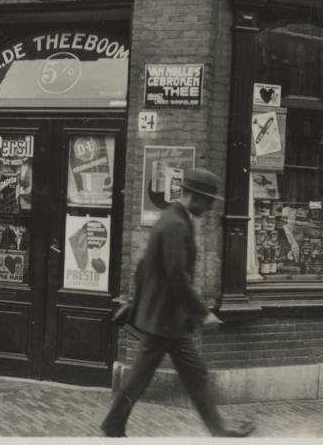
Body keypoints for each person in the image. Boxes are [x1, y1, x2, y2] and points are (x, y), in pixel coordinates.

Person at [101, 168, 256, 438]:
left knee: (194, 373)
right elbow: (176, 276)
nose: (210, 207)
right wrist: (201, 313)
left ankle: (218, 429)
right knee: (141, 378)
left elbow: (145, 268)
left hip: (169, 319)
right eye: (208, 201)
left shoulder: (173, 217)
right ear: (194, 196)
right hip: (165, 320)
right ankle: (113, 425)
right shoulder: (176, 224)